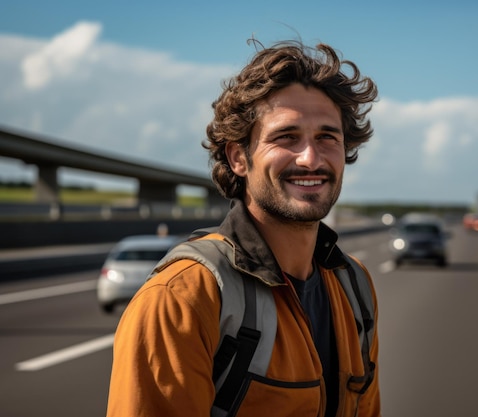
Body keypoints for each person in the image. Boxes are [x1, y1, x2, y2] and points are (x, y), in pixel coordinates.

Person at [106, 39, 380, 417]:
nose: (311, 158)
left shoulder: (354, 285)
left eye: (327, 137)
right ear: (239, 157)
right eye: (286, 137)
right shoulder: (182, 298)